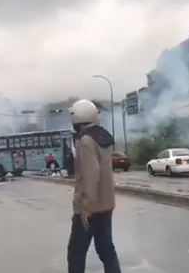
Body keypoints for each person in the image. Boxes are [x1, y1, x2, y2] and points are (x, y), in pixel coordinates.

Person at [67, 99, 121, 273]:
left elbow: (91, 174)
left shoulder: (86, 141)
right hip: (106, 204)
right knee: (106, 249)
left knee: (76, 253)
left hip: (90, 208)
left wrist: (86, 208)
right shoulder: (104, 137)